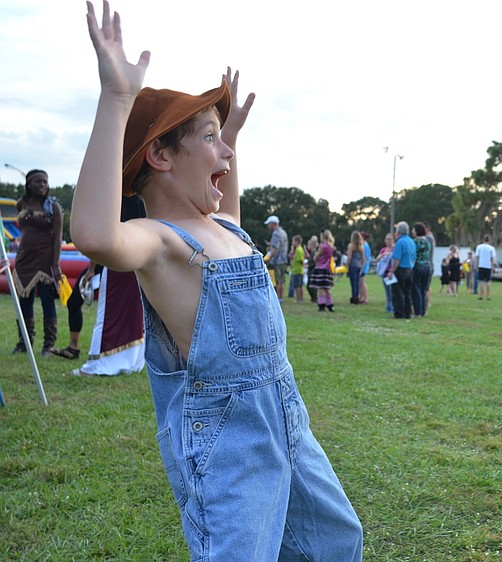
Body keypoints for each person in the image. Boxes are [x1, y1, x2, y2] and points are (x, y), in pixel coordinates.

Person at [72, 5, 362, 560]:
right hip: (229, 438)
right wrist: (116, 99)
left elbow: (225, 188)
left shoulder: (226, 227)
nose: (224, 151)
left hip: (286, 415)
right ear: (160, 155)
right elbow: (94, 235)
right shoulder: (162, 242)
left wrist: (226, 136)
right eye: (207, 138)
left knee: (334, 541)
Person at [55, 194, 146, 361]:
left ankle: (76, 347)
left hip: (109, 264)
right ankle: (74, 347)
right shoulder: (138, 203)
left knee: (83, 304)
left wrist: (92, 269)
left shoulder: (116, 202)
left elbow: (102, 239)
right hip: (126, 263)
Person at [11, 169, 63, 357]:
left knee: (47, 302)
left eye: (45, 182)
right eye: (38, 182)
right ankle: (24, 343)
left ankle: (48, 345)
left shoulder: (53, 206)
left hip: (45, 260)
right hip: (24, 259)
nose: (42, 185)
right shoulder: (22, 203)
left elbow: (58, 237)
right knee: (24, 302)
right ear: (29, 184)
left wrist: (55, 264)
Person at [388, 221, 415, 319]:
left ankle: (399, 313)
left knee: (398, 292)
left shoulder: (400, 242)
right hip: (409, 269)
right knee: (407, 293)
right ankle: (407, 313)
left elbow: (396, 259)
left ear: (398, 232)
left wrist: (391, 271)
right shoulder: (411, 241)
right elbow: (414, 257)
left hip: (400, 269)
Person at [310, 229, 336, 311]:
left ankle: (321, 304)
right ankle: (329, 304)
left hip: (320, 268)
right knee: (327, 289)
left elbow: (315, 257)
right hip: (327, 268)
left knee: (320, 288)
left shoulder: (323, 246)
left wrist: (315, 254)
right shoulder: (331, 246)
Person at [264, 214, 288, 301]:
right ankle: (281, 297)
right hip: (284, 260)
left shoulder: (276, 233)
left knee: (277, 281)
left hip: (277, 260)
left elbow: (275, 248)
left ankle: (278, 298)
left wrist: (268, 258)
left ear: (273, 224)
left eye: (269, 224)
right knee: (282, 280)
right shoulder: (283, 232)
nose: (268, 226)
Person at [411, 222, 432, 317]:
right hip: (427, 265)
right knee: (424, 289)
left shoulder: (415, 242)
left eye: (413, 230)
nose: (412, 232)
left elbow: (413, 254)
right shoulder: (427, 241)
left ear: (416, 231)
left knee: (416, 289)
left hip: (418, 265)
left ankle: (417, 312)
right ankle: (423, 310)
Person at [375, 232, 394, 313]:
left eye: (389, 239)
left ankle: (392, 307)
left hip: (391, 272)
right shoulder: (383, 250)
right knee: (387, 291)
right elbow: (377, 259)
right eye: (386, 239)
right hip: (384, 272)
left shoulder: (395, 249)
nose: (387, 241)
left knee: (392, 290)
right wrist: (383, 255)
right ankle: (388, 306)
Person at [345, 230, 364, 304]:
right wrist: (362, 266)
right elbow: (363, 258)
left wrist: (346, 265)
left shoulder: (351, 246)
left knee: (353, 283)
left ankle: (354, 297)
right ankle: (357, 297)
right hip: (358, 265)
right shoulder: (361, 247)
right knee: (357, 283)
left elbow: (349, 256)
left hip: (352, 265)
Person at [474, 234, 495, 301]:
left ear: (483, 239)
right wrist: (493, 267)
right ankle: (488, 296)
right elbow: (492, 258)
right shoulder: (491, 248)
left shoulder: (479, 247)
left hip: (481, 265)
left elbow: (477, 257)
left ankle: (481, 295)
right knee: (488, 281)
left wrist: (477, 266)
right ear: (489, 240)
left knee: (481, 281)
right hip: (488, 266)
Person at [289, 234, 305, 303]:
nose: (292, 243)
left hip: (297, 271)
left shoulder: (298, 250)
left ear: (297, 241)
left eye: (293, 241)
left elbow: (301, 260)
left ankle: (298, 299)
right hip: (299, 271)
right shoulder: (300, 249)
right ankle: (301, 299)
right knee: (300, 286)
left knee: (297, 286)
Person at [358, 231, 371, 304]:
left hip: (364, 266)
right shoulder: (363, 245)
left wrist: (362, 267)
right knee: (360, 283)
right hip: (363, 265)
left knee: (362, 283)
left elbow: (365, 258)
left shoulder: (365, 246)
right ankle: (361, 297)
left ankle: (365, 299)